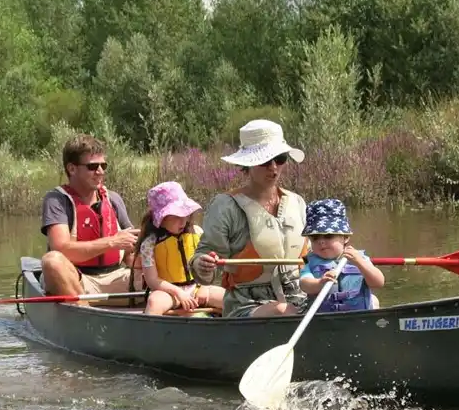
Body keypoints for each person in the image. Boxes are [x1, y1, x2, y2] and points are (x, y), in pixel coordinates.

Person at [189, 119, 309, 318]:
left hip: (299, 297)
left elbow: (313, 258)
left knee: (361, 300)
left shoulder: (297, 202)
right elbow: (204, 267)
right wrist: (202, 264)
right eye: (265, 161)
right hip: (246, 303)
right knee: (282, 310)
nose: (273, 167)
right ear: (248, 164)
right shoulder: (225, 206)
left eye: (279, 159)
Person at [39, 134, 140, 304]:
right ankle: (86, 315)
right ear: (72, 169)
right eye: (93, 166)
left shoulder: (113, 199)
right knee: (52, 262)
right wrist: (111, 242)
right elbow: (62, 249)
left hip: (115, 277)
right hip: (77, 280)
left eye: (103, 165)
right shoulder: (56, 200)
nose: (100, 171)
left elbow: (129, 256)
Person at [133, 181, 226, 316]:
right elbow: (152, 281)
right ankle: (151, 334)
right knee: (154, 302)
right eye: (176, 216)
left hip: (197, 288)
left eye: (185, 214)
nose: (183, 221)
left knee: (229, 299)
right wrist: (179, 293)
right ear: (161, 218)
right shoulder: (149, 244)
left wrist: (204, 287)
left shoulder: (197, 232)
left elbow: (207, 269)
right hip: (169, 292)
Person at [298, 198, 384, 312]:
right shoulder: (309, 260)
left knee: (374, 300)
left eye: (328, 236)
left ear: (345, 237)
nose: (321, 241)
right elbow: (304, 284)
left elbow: (378, 282)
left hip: (360, 317)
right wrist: (319, 283)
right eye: (315, 238)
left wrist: (360, 263)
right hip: (323, 320)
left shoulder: (359, 258)